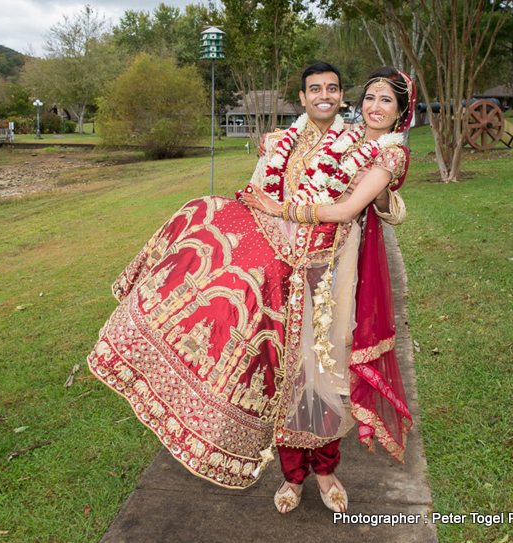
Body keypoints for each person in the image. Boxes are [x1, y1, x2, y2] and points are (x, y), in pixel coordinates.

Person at [86, 62, 414, 515]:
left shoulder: (374, 147)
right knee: (278, 373)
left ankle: (325, 470)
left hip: (332, 275)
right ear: (304, 98)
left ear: (397, 111)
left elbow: (371, 205)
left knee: (322, 374)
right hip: (278, 274)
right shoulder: (310, 139)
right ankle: (293, 477)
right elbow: (272, 181)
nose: (374, 106)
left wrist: (381, 199)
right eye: (371, 97)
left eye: (386, 101)